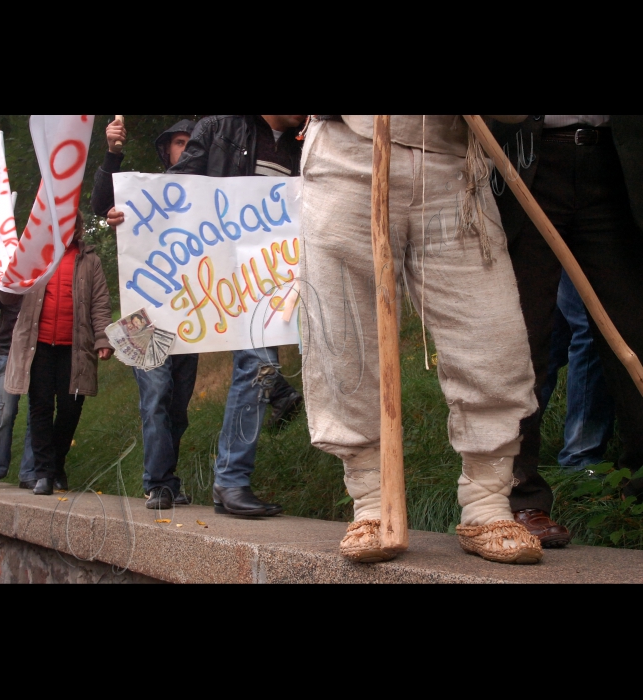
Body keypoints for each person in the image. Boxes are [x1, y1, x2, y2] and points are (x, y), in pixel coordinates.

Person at [299, 115, 543, 565]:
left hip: (455, 163)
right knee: (343, 337)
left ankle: (487, 504)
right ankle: (373, 501)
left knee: (494, 336)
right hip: (347, 151)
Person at [491, 115, 643, 547]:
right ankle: (518, 497)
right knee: (521, 339)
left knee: (633, 330)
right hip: (527, 159)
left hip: (618, 158)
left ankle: (640, 482)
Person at [167, 115, 307, 517]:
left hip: (274, 274)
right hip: (220, 270)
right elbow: (177, 190)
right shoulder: (218, 128)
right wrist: (133, 214)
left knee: (260, 368)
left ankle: (229, 483)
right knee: (260, 365)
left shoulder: (306, 143)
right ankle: (230, 482)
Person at [92, 118, 200, 509]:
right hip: (142, 318)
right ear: (166, 150)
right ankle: (157, 482)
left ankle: (167, 478)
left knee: (178, 407)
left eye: (192, 143)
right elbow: (102, 201)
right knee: (154, 399)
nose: (186, 149)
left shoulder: (209, 196)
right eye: (179, 143)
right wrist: (113, 153)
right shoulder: (144, 191)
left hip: (193, 317)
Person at [4, 212, 113, 496]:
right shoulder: (35, 257)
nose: (67, 229)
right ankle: (43, 473)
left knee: (70, 408)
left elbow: (100, 303)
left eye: (71, 224)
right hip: (37, 346)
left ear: (78, 228)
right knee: (39, 407)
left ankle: (55, 462)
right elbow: (8, 295)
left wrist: (102, 339)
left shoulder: (90, 260)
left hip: (75, 348)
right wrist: (6, 274)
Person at [541, 270, 615, 470]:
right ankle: (580, 456)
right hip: (585, 241)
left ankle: (504, 441)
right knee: (595, 328)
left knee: (554, 335)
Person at [0, 280, 37, 490]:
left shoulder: (44, 266)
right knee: (4, 414)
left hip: (36, 347)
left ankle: (29, 472)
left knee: (36, 414)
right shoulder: (6, 269)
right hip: (8, 349)